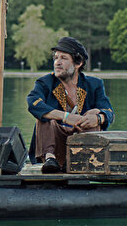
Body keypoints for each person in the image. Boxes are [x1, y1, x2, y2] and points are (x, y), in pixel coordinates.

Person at [26, 36, 114, 174]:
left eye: (63, 58)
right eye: (56, 58)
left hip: (80, 141)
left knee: (95, 112)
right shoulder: (45, 82)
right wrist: (66, 116)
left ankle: (80, 158)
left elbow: (108, 112)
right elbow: (33, 104)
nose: (57, 62)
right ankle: (50, 159)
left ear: (78, 63)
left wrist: (98, 118)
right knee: (44, 114)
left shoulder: (94, 84)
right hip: (54, 144)